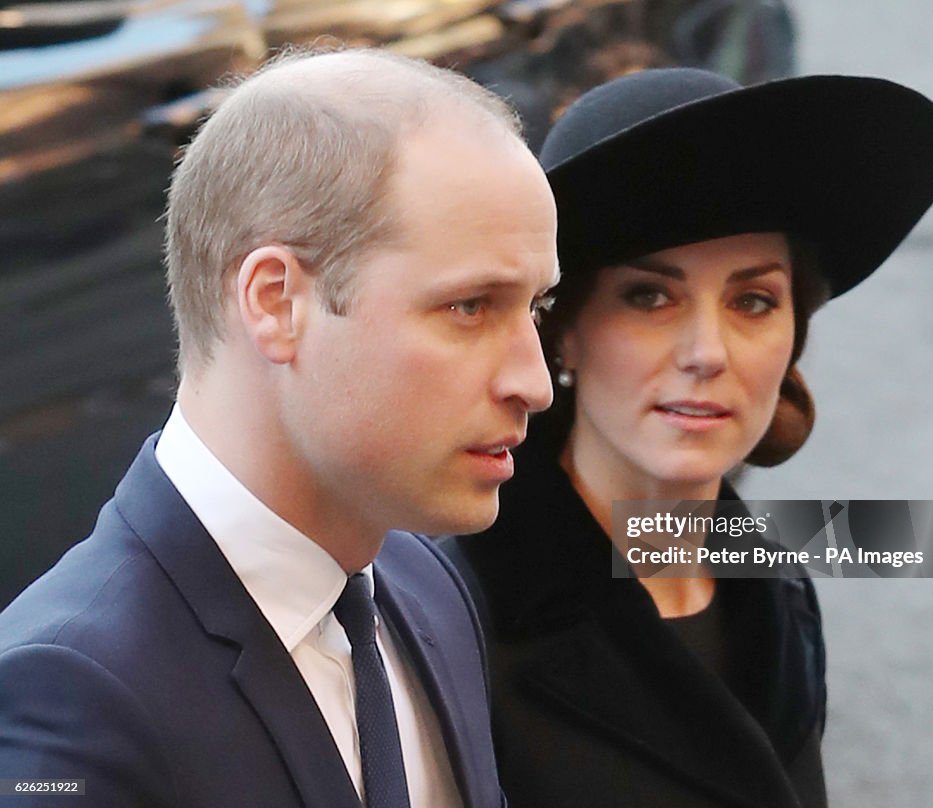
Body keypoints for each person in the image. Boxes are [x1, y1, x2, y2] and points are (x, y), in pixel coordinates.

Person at [0, 48, 559, 807]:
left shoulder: (428, 587)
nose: (533, 381)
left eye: (537, 309)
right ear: (274, 302)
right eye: (470, 307)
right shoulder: (67, 691)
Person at [443, 67, 933, 807]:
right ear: (561, 333)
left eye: (753, 300)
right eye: (649, 296)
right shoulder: (448, 611)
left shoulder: (778, 590)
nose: (708, 352)